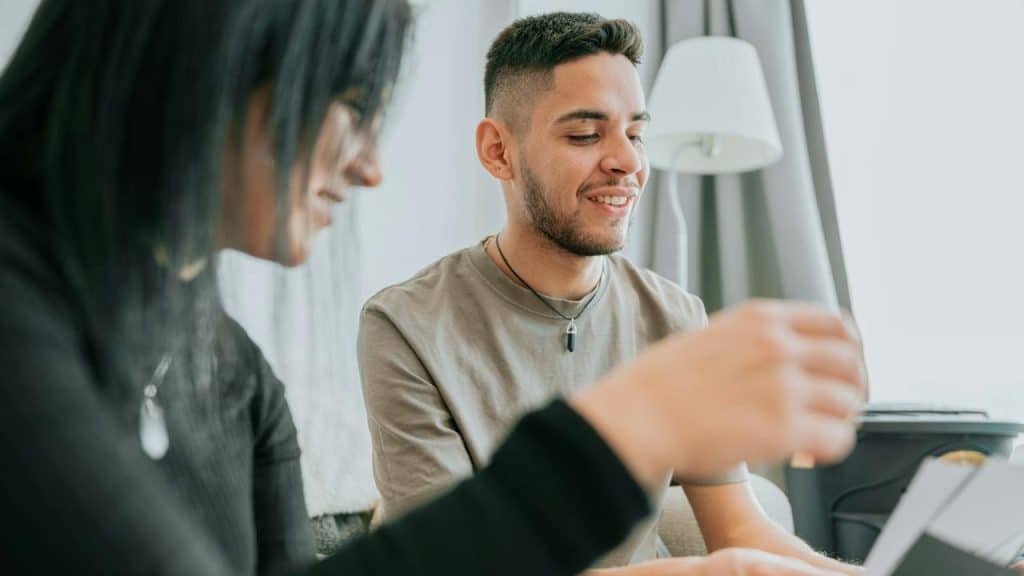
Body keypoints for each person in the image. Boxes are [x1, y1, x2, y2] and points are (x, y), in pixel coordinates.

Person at [0, 1, 863, 575]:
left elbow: (748, 538)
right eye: (345, 101)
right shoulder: (405, 322)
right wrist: (629, 427)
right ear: (197, 70)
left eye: (636, 132)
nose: (371, 166)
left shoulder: (230, 373)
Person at [359, 12, 862, 575]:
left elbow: (737, 527)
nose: (627, 162)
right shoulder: (405, 325)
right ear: (498, 151)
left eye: (637, 134)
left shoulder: (674, 317)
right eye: (585, 135)